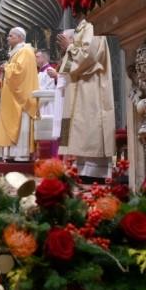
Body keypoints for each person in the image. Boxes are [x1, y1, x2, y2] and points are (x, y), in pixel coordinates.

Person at [57, 13, 115, 182]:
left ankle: (94, 173)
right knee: (79, 127)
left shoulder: (93, 24)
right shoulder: (83, 27)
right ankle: (81, 170)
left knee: (89, 125)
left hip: (91, 85)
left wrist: (69, 47)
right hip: (79, 84)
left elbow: (89, 56)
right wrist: (68, 49)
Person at [0, 27, 39, 161]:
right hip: (12, 96)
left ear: (20, 38)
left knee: (21, 123)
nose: (7, 38)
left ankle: (20, 154)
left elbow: (20, 72)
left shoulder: (25, 51)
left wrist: (6, 67)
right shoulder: (16, 51)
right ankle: (10, 154)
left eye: (11, 36)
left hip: (20, 98)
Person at [35, 49, 63, 157]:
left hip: (48, 106)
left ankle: (52, 156)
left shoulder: (50, 71)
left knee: (49, 131)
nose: (35, 59)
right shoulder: (40, 72)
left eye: (37, 57)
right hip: (41, 105)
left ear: (44, 58)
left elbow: (49, 90)